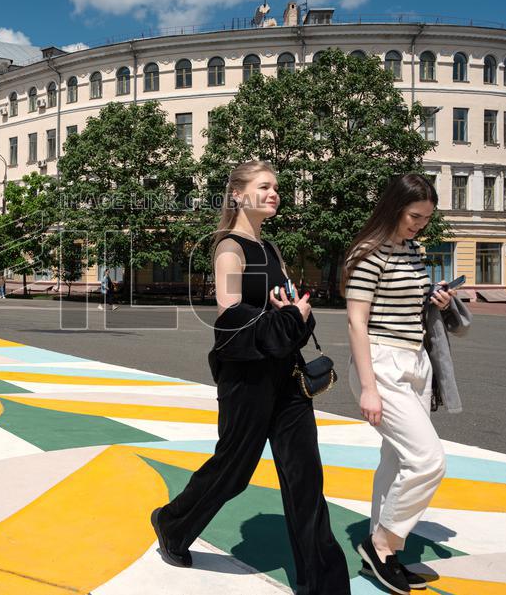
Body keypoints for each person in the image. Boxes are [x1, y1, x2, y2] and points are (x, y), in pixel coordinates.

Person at [150, 160, 350, 595]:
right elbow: (230, 312)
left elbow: (283, 306)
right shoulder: (230, 247)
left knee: (305, 478)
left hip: (287, 373)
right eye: (264, 186)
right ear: (238, 194)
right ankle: (172, 523)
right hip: (247, 378)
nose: (274, 192)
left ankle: (324, 585)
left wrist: (295, 313)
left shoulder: (272, 249)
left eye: (276, 186)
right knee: (233, 470)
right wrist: (284, 317)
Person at [343, 173, 452, 594]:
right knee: (428, 460)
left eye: (426, 218)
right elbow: (356, 321)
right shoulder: (367, 252)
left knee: (396, 459)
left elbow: (405, 300)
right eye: (414, 216)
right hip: (381, 361)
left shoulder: (413, 249)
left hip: (416, 360)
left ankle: (383, 553)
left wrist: (434, 298)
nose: (420, 224)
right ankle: (382, 543)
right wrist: (368, 387)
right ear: (394, 207)